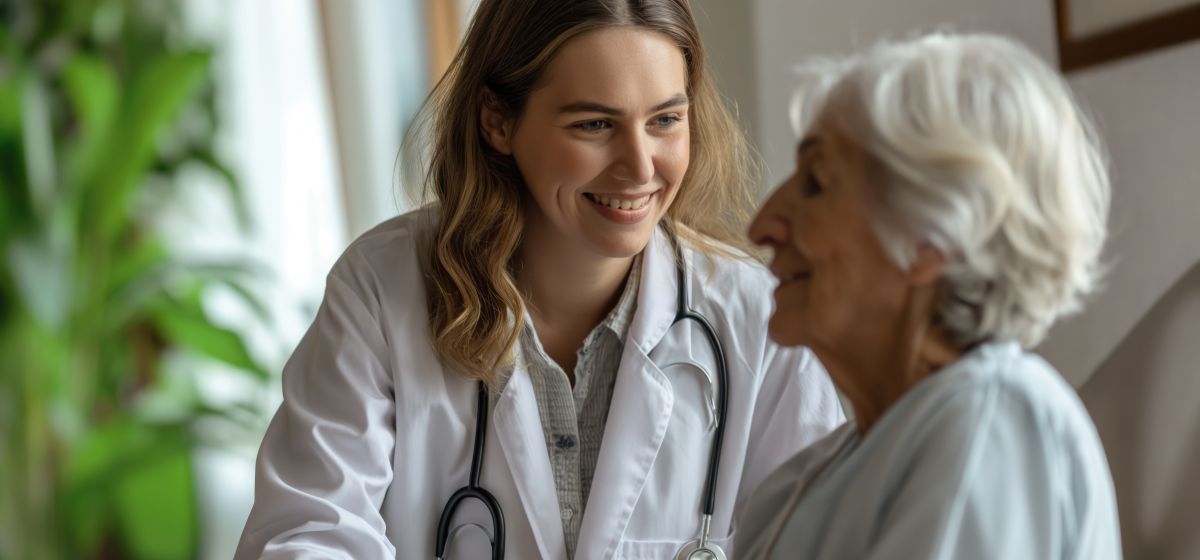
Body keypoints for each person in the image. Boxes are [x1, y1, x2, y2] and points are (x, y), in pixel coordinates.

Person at [234, 1, 843, 558]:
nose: (640, 167)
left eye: (664, 120)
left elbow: (826, 538)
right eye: (594, 126)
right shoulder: (381, 289)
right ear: (498, 121)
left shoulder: (758, 316)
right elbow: (307, 532)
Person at [736, 32, 1121, 559]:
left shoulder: (991, 422)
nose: (762, 227)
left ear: (933, 238)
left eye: (817, 184)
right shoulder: (814, 475)